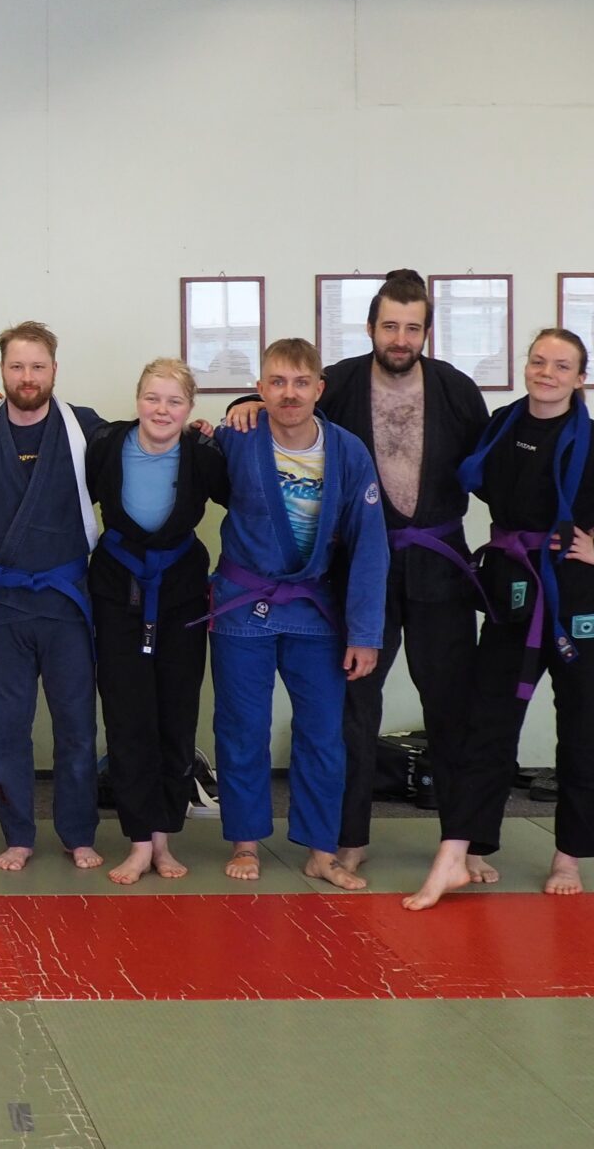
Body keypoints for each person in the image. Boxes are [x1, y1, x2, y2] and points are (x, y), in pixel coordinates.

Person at [404, 329, 594, 909]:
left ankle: (569, 854)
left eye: (562, 366)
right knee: (486, 725)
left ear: (580, 378)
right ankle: (464, 849)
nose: (547, 373)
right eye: (538, 361)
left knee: (580, 730)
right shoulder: (499, 427)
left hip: (580, 603)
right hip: (512, 595)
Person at [224, 270, 492, 882]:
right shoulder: (339, 381)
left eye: (412, 328)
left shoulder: (456, 389)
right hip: (356, 570)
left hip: (438, 564)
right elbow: (284, 400)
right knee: (352, 708)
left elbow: (489, 470)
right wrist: (243, 405)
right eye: (389, 325)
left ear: (427, 332)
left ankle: (466, 841)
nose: (400, 338)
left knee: (453, 705)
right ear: (370, 327)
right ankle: (346, 840)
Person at [210, 337, 389, 889]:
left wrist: (365, 633)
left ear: (319, 388)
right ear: (260, 389)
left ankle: (319, 849)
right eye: (278, 382)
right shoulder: (235, 439)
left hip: (314, 609)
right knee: (243, 728)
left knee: (323, 733)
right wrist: (209, 421)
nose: (290, 393)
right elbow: (183, 456)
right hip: (243, 605)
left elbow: (370, 545)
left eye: (301, 382)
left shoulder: (348, 452)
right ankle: (245, 842)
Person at [87, 358, 229, 884]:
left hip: (181, 592)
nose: (161, 410)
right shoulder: (106, 445)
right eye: (152, 397)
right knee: (128, 717)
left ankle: (165, 839)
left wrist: (247, 409)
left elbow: (252, 499)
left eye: (174, 401)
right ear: (138, 398)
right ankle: (139, 841)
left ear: (190, 409)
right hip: (116, 589)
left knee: (176, 715)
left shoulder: (204, 455)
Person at [0, 322, 105, 872]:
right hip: (4, 603)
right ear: (2, 370)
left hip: (66, 602)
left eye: (38, 366)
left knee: (76, 726)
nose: (27, 377)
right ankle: (19, 835)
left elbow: (150, 441)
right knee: (5, 729)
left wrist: (219, 419)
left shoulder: (85, 427)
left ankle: (78, 833)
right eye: (17, 366)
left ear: (54, 369)